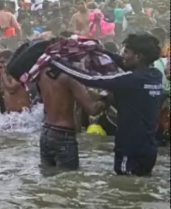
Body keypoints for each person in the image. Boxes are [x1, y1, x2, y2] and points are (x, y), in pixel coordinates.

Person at [56, 34, 164, 176]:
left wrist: (59, 63)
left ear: (138, 56)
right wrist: (102, 51)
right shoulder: (155, 75)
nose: (123, 56)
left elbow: (91, 79)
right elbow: (124, 64)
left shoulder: (130, 79)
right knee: (140, 188)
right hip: (149, 148)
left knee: (125, 187)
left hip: (129, 149)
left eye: (126, 52)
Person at [38, 67, 106, 172]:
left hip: (45, 133)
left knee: (48, 178)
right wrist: (105, 100)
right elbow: (92, 109)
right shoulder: (70, 78)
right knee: (69, 182)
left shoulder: (43, 74)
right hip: (63, 136)